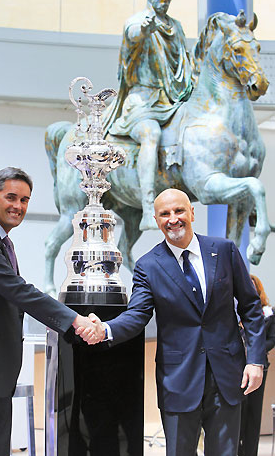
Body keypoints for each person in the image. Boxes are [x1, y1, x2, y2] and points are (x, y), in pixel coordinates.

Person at [78, 188, 266, 456]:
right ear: (156, 220)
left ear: (191, 212)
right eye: (165, 214)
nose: (173, 218)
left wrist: (255, 360)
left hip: (227, 376)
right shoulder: (148, 265)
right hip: (178, 381)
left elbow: (250, 307)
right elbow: (137, 315)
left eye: (179, 211)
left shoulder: (224, 251)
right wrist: (106, 328)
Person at [0, 167, 100, 456]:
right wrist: (74, 319)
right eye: (11, 197)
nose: (18, 206)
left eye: (25, 200)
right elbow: (18, 290)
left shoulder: (2, 240)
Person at [102, 0, 193, 231]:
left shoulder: (175, 26)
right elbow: (133, 36)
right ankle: (147, 206)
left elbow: (184, 62)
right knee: (150, 134)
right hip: (141, 101)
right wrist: (144, 30)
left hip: (171, 101)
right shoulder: (138, 22)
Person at [238, 274, 275, 456]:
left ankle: (250, 452)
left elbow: (272, 340)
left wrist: (254, 350)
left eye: (252, 285)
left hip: (259, 366)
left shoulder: (268, 312)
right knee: (237, 412)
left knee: (254, 413)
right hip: (236, 368)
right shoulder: (234, 312)